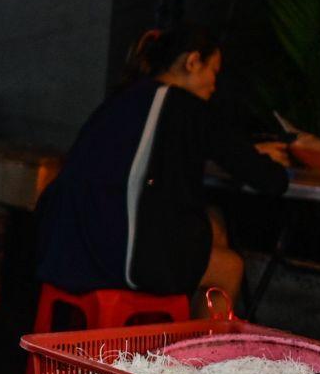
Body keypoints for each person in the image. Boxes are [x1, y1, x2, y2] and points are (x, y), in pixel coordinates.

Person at [37, 23, 293, 311]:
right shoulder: (186, 107)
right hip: (115, 257)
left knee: (214, 221)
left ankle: (176, 331)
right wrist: (274, 157)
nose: (214, 84)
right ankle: (197, 354)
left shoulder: (125, 99)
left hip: (65, 246)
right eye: (213, 71)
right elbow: (270, 180)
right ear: (192, 61)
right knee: (230, 267)